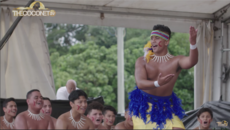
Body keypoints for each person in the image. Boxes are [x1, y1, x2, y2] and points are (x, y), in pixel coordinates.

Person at [129, 25, 198, 129]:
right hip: (143, 106)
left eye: (157, 38)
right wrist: (157, 83)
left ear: (166, 42)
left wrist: (193, 43)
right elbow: (140, 83)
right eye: (152, 38)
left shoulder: (176, 60)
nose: (153, 41)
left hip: (166, 106)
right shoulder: (142, 61)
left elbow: (191, 62)